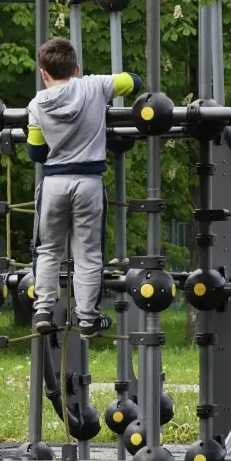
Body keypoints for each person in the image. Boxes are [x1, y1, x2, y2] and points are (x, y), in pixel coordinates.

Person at [26, 37, 143, 339]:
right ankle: (88, 319)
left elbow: (36, 153)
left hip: (53, 183)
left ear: (44, 73)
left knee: (48, 248)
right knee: (88, 253)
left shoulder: (36, 105)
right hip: (88, 182)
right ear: (76, 68)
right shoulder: (94, 86)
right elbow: (134, 81)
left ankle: (42, 308)